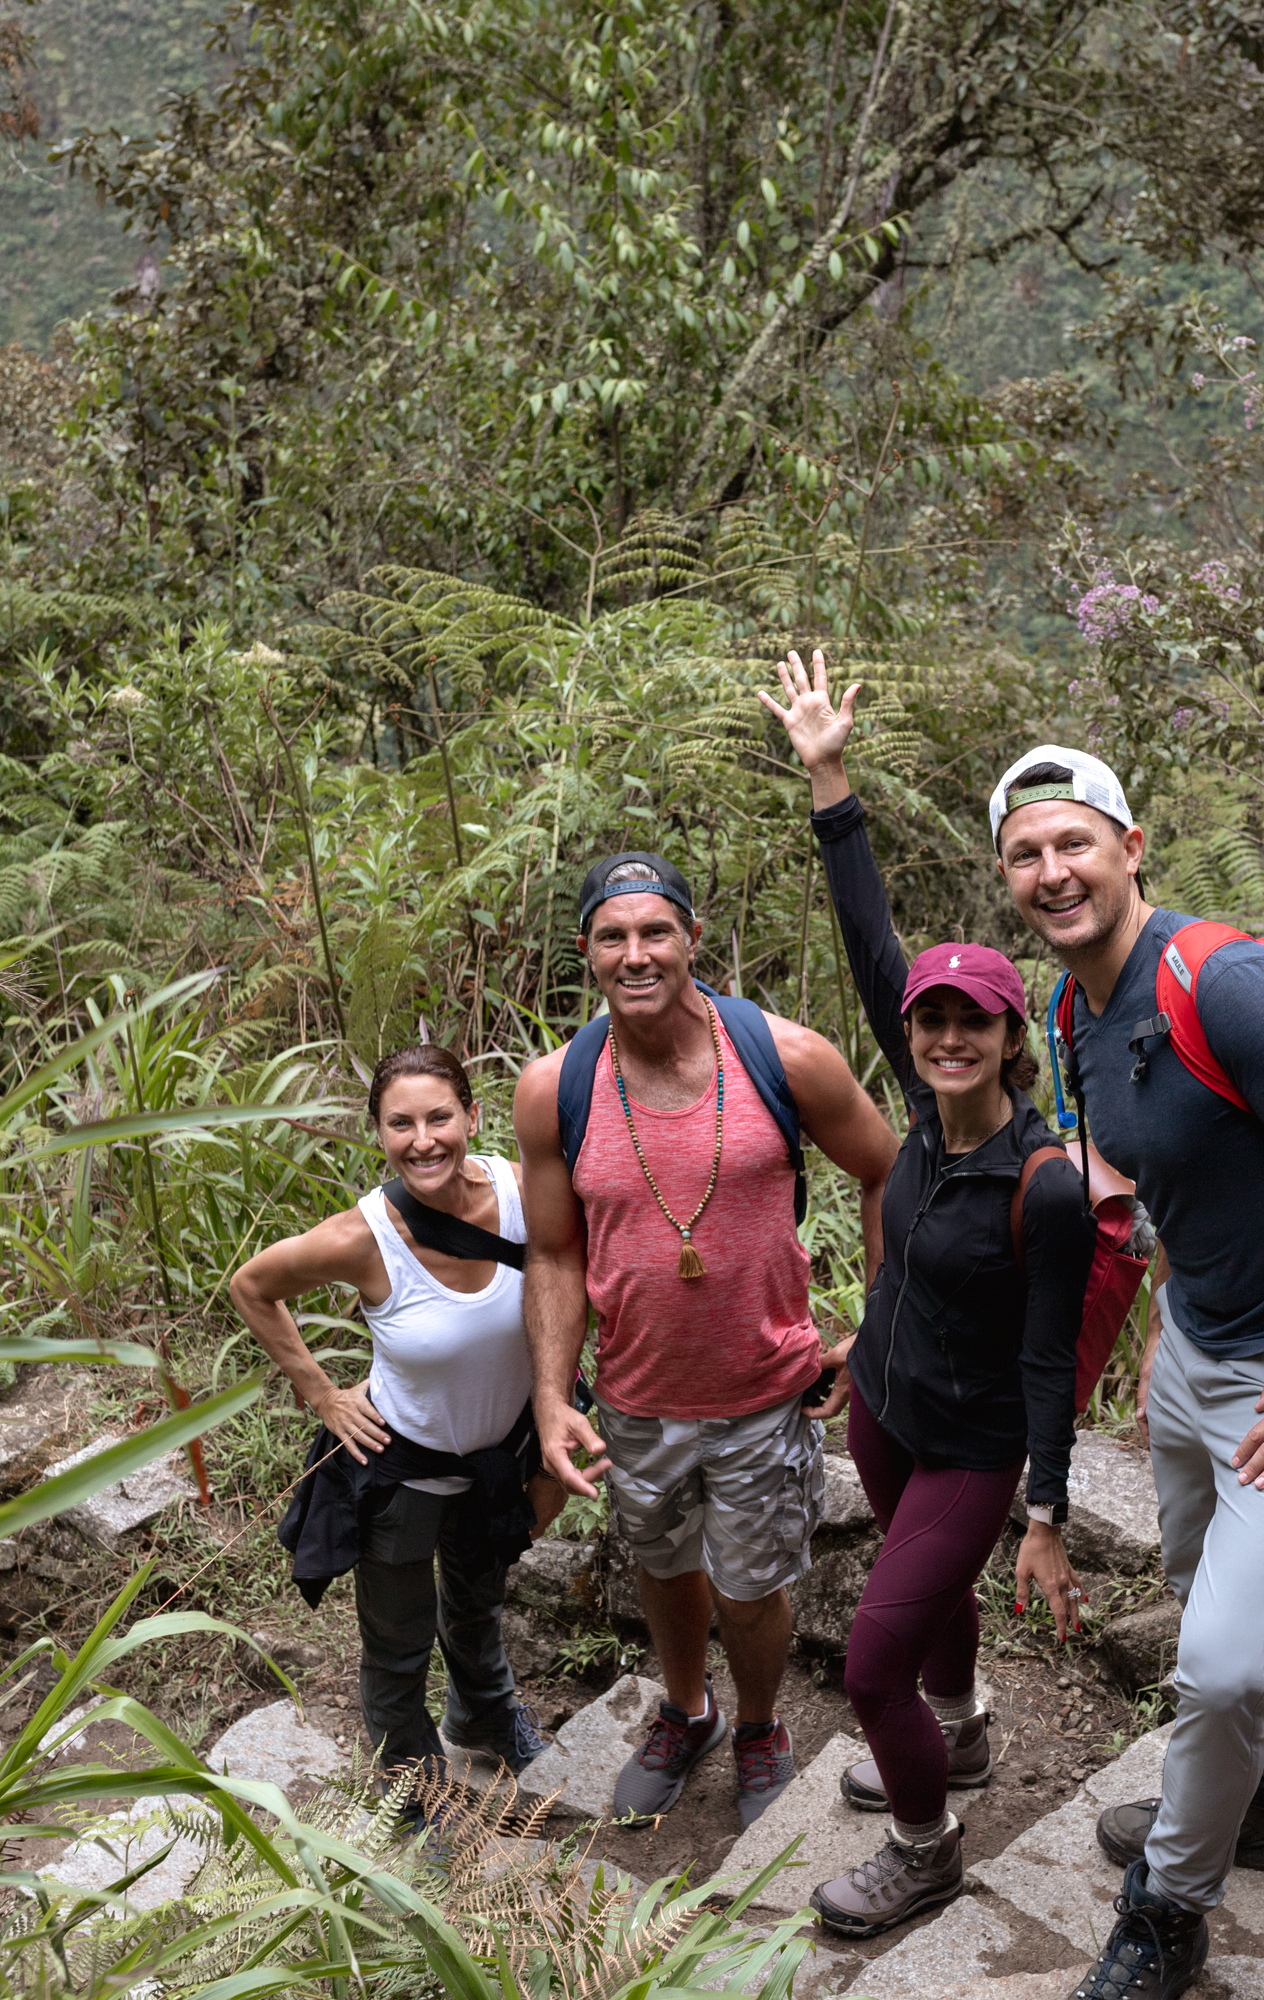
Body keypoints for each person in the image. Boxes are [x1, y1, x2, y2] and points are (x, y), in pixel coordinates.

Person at [987, 744, 1264, 2000]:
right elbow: (1163, 1178)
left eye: (1075, 843)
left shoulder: (1228, 980)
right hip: (1194, 1351)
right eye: (1028, 854)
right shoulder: (1072, 1009)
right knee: (1199, 1585)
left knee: (1215, 1659)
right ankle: (1257, 1802)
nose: (1054, 873)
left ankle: (1167, 1909)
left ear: (1131, 846)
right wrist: (1164, 1302)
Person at [758, 651, 1098, 1937]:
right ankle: (956, 1732)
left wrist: (1047, 1506)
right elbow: (870, 938)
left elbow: (1055, 1356)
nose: (948, 1037)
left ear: (1014, 1038)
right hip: (882, 1409)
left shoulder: (1044, 1183)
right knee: (929, 1613)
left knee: (868, 1659)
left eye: (974, 1023)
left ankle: (924, 1842)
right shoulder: (921, 1112)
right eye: (929, 1022)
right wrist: (827, 775)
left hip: (968, 1444)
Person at [517, 849, 898, 1827]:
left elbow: (887, 1169)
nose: (636, 953)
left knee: (753, 1579)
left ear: (693, 936)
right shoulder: (555, 1086)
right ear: (586, 950)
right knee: (663, 1561)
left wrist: (878, 1324)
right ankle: (687, 1708)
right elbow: (556, 1252)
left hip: (764, 1388)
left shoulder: (786, 1055)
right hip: (636, 1392)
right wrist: (553, 1395)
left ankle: (761, 1721)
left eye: (655, 931)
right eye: (614, 935)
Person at [231, 1044, 558, 1782]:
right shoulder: (364, 1236)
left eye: (440, 1117)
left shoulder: (522, 1194)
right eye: (399, 1123)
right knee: (399, 1643)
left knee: (480, 1609)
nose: (423, 1140)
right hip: (402, 1472)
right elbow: (253, 1286)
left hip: (499, 1462)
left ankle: (485, 1715)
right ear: (378, 1134)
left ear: (473, 1117)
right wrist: (321, 1391)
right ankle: (406, 1784)